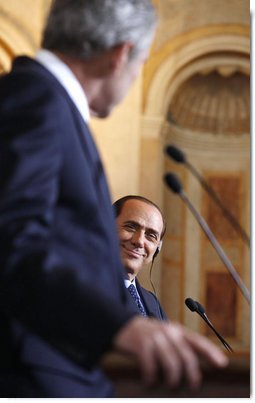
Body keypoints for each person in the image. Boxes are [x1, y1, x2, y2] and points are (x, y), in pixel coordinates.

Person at [0, 0, 228, 398]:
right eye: (141, 64)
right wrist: (121, 325)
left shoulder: (43, 102)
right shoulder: (36, 100)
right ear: (121, 54)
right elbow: (12, 239)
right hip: (33, 378)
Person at [113, 195, 167, 320]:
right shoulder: (81, 287)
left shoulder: (153, 303)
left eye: (151, 235)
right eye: (130, 227)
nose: (139, 241)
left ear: (158, 247)